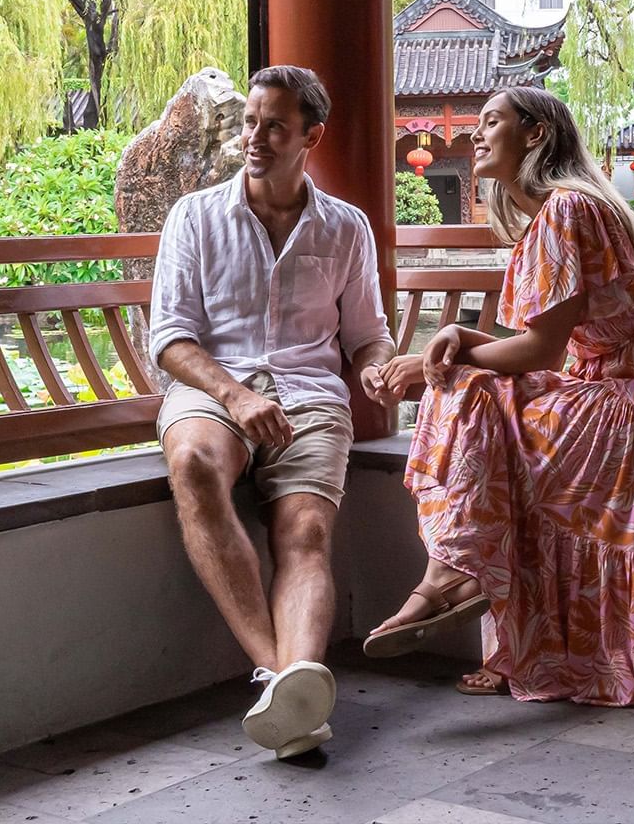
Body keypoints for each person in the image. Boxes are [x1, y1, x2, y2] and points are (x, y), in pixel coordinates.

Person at [362, 87, 634, 706]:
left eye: (491, 122)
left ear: (535, 135)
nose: (476, 135)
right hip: (622, 382)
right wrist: (454, 337)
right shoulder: (560, 212)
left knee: (473, 394)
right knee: (480, 402)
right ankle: (478, 597)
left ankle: (453, 574)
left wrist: (445, 357)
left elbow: (541, 354)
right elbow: (547, 341)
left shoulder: (567, 210)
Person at [150, 65, 396, 759]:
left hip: (311, 397)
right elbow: (169, 337)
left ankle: (290, 704)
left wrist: (377, 368)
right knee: (194, 461)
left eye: (274, 126)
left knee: (308, 532)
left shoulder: (345, 228)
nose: (254, 138)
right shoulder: (194, 217)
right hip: (214, 388)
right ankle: (280, 674)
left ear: (309, 136)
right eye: (250, 122)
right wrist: (235, 393)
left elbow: (366, 334)